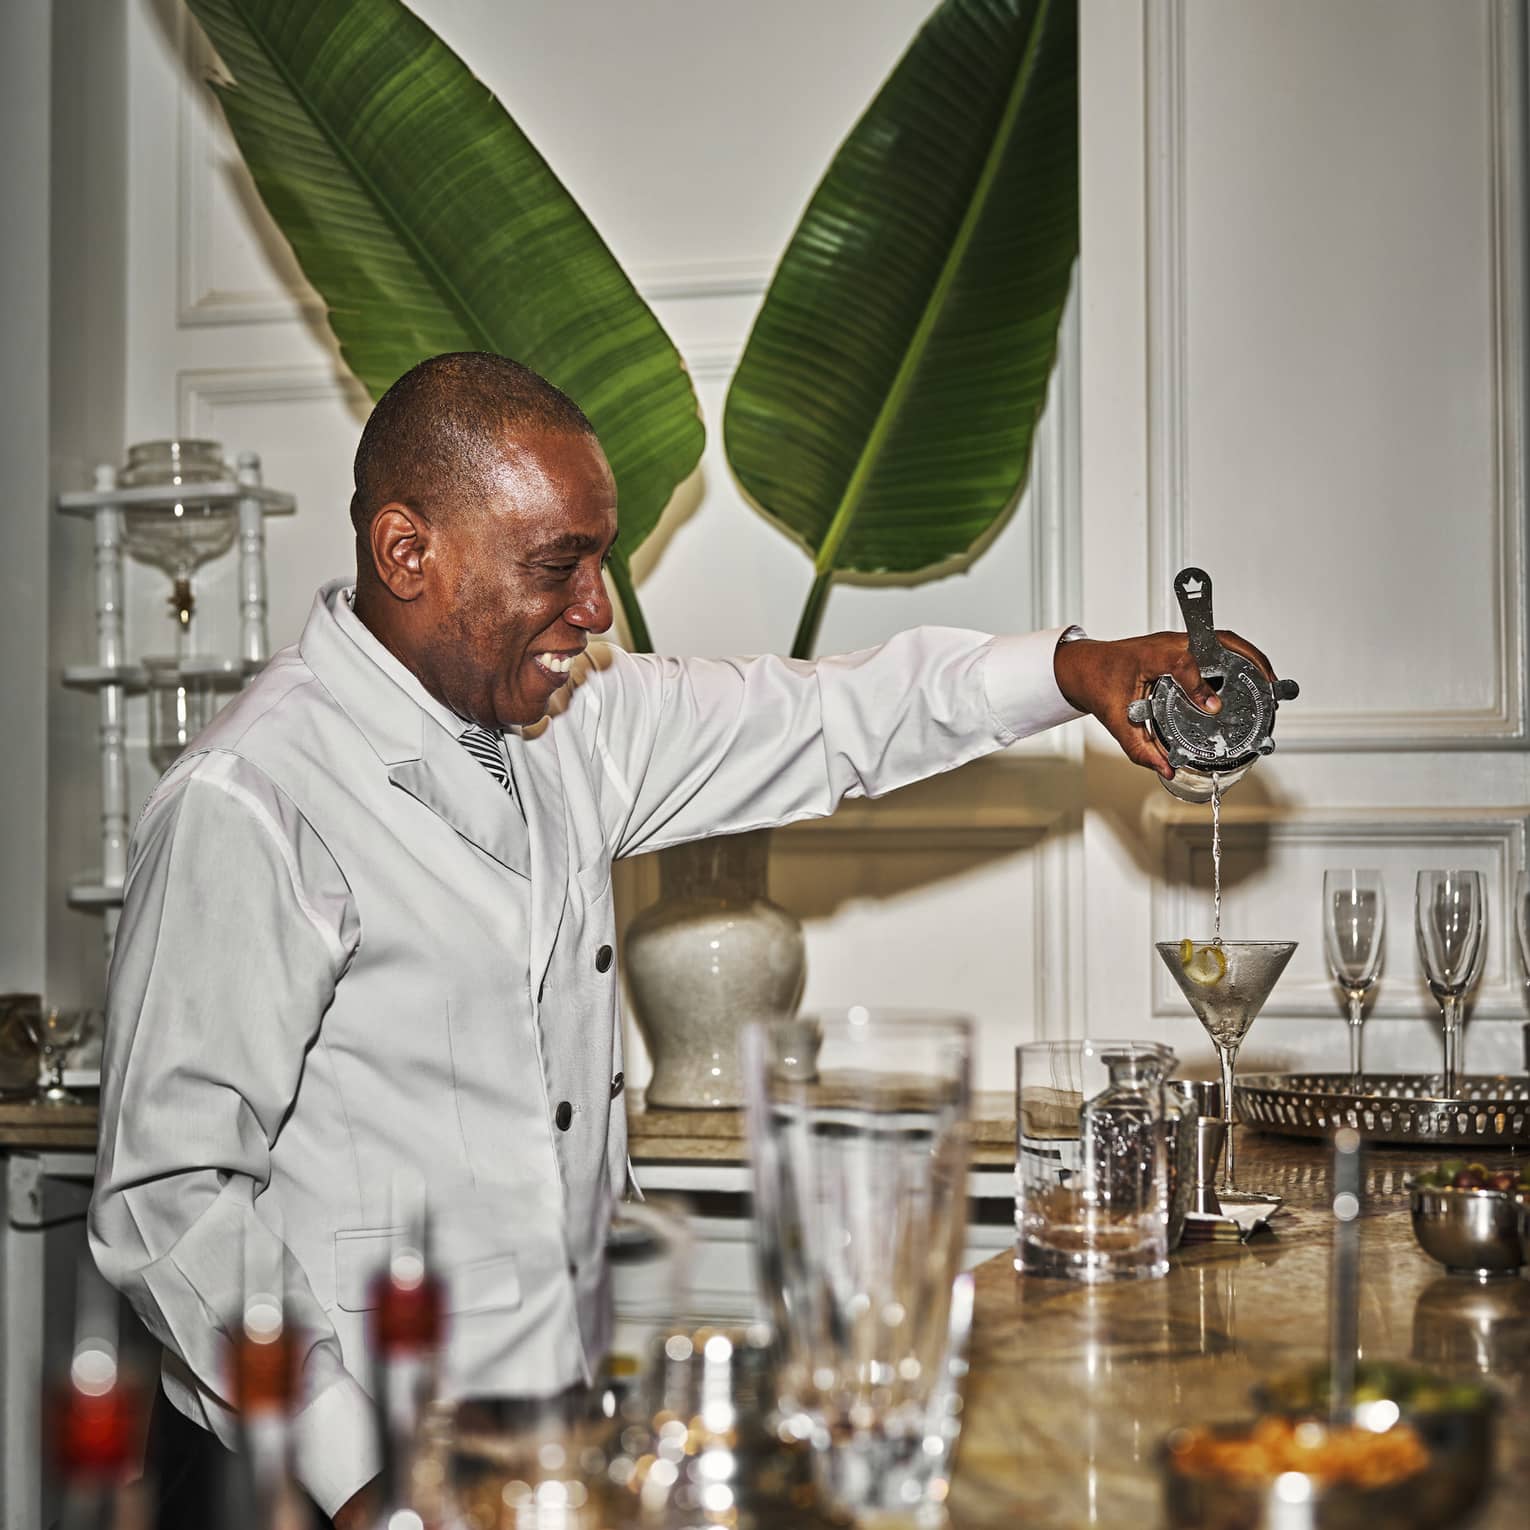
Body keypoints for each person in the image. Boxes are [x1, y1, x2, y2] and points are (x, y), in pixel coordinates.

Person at [89, 352, 1274, 1528]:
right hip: (325, 1470)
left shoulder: (574, 726)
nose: (596, 609)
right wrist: (355, 1472)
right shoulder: (249, 797)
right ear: (409, 552)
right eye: (560, 565)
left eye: (599, 561)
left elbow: (829, 713)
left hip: (551, 1433)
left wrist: (1075, 670)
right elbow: (171, 1197)